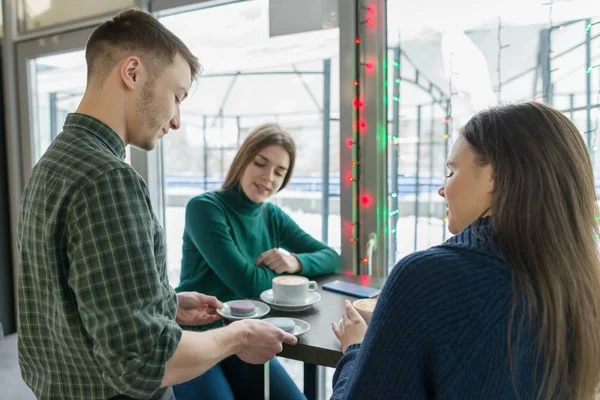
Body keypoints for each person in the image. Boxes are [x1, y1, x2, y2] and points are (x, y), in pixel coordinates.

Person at [17, 9, 297, 400]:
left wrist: (165, 302)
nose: (177, 119)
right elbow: (146, 361)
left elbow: (72, 304)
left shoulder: (54, 163)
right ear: (132, 73)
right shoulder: (108, 179)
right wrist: (241, 334)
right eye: (177, 96)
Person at [330, 102, 600, 399]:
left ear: (495, 176)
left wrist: (355, 351)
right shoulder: (582, 285)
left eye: (452, 171)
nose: (442, 190)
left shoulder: (427, 278)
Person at [173, 123, 342, 399]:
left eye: (279, 171)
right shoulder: (204, 208)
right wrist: (285, 280)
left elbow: (333, 258)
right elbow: (247, 284)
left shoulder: (271, 215)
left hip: (246, 335)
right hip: (196, 337)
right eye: (261, 163)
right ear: (243, 160)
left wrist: (295, 263)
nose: (268, 177)